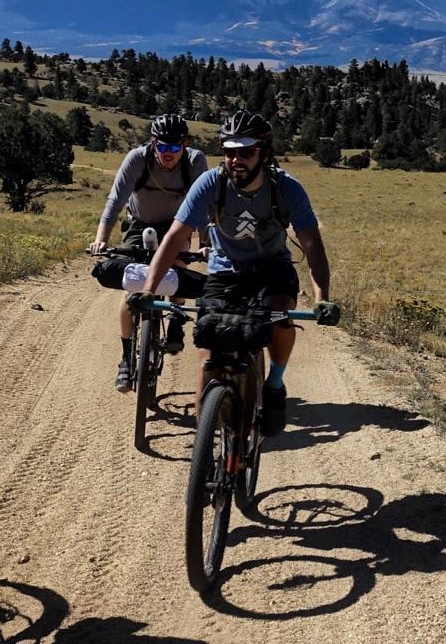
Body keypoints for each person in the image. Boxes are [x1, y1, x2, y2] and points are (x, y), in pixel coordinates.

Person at [133, 109, 331, 434]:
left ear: (264, 153)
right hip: (225, 271)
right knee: (209, 353)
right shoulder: (211, 183)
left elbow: (312, 245)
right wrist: (149, 288)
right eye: (228, 151)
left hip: (272, 268)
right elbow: (175, 237)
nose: (236, 159)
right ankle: (206, 447)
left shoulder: (286, 188)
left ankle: (274, 384)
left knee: (279, 317)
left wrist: (322, 297)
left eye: (246, 151)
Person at [90, 113, 209, 390]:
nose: (168, 154)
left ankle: (177, 319)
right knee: (132, 284)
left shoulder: (195, 162)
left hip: (177, 225)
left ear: (185, 144)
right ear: (153, 143)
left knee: (177, 266)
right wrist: (100, 241)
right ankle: (126, 358)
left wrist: (205, 243)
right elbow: (114, 202)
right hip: (138, 223)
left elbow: (203, 206)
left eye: (174, 147)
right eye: (162, 147)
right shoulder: (137, 159)